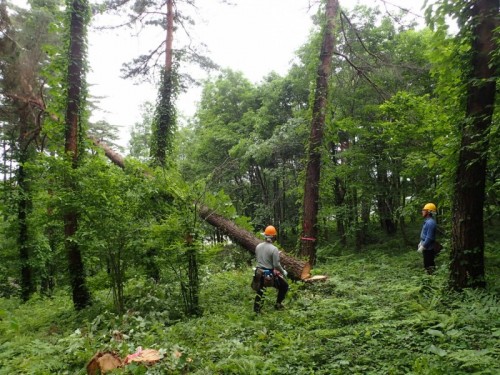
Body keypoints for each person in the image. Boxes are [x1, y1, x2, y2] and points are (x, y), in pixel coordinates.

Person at [252, 225, 289, 313]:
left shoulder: (258, 246)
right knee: (284, 286)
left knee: (261, 291)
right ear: (274, 237)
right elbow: (276, 264)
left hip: (259, 271)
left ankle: (256, 310)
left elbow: (262, 257)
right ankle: (278, 304)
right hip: (268, 273)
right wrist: (283, 271)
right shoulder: (274, 249)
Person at [417, 203, 438, 274]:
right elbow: (425, 235)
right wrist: (421, 242)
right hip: (427, 247)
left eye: (424, 210)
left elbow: (429, 237)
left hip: (428, 248)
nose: (422, 211)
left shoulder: (430, 223)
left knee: (429, 265)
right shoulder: (428, 221)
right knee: (427, 264)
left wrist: (423, 246)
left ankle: (431, 279)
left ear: (428, 212)